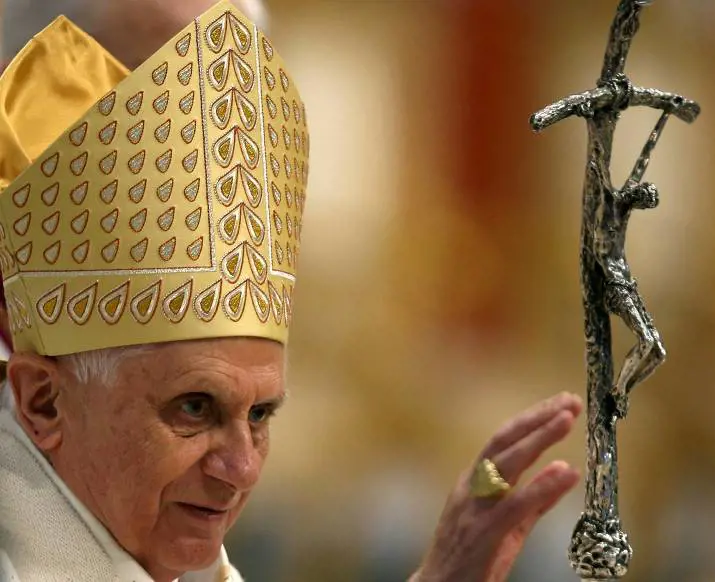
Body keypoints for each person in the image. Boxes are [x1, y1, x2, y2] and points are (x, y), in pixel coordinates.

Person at [0, 2, 583, 581]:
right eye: (194, 408)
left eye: (260, 414)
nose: (244, 469)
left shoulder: (153, 544)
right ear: (43, 401)